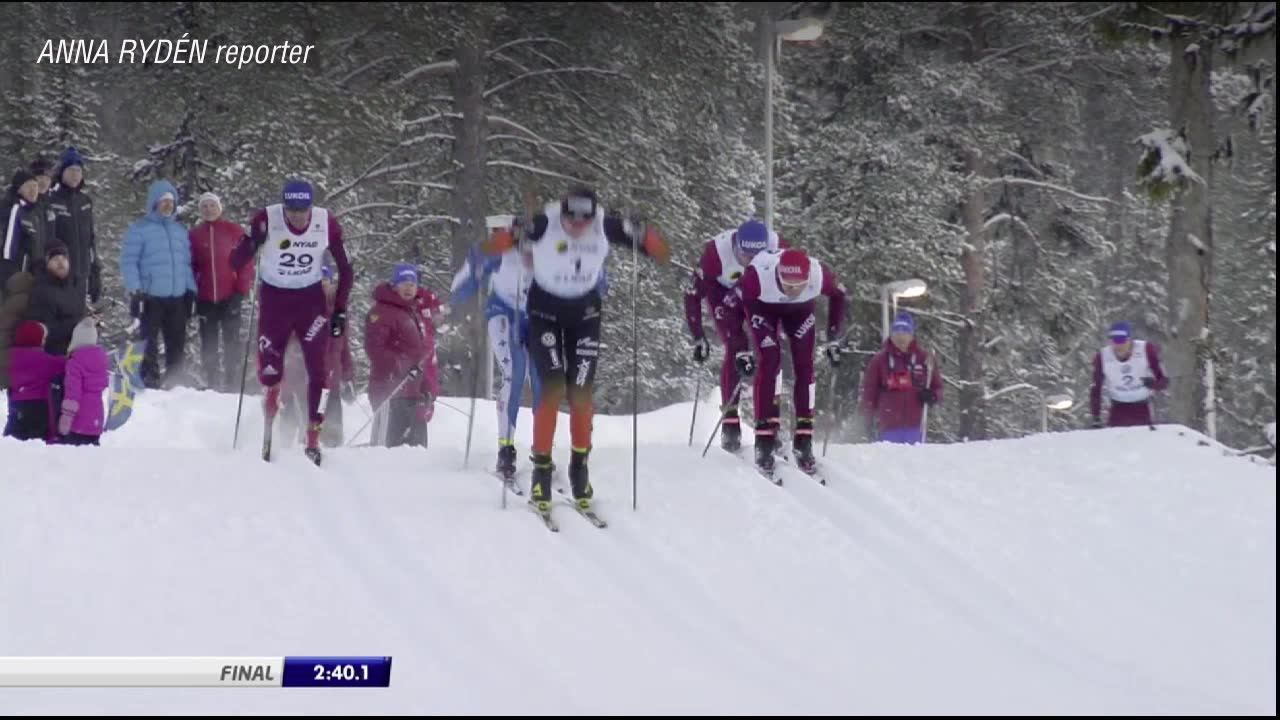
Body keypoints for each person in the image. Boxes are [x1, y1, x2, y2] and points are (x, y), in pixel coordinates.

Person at [485, 186, 670, 511]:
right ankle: (541, 473)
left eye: (585, 219)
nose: (578, 226)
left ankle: (579, 469)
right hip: (544, 316)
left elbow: (659, 250)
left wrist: (645, 235)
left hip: (585, 317)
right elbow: (494, 248)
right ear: (564, 212)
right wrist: (508, 236)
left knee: (582, 395)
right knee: (553, 390)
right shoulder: (545, 223)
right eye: (572, 218)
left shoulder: (604, 224)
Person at [229, 178, 354, 465]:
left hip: (310, 301)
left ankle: (313, 436)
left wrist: (340, 310)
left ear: (312, 206)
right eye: (292, 210)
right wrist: (251, 242)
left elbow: (346, 269)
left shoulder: (327, 223)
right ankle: (271, 400)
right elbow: (236, 263)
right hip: (276, 300)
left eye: (303, 210)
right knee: (271, 368)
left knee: (317, 369)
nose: (298, 216)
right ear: (284, 206)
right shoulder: (267, 218)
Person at [728, 246, 846, 475]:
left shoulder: (820, 274)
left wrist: (833, 337)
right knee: (769, 362)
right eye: (787, 285)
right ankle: (764, 438)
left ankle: (804, 437)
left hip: (799, 313)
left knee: (805, 365)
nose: (792, 290)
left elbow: (840, 295)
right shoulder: (757, 278)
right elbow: (733, 305)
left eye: (798, 286)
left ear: (808, 278)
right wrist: (740, 349)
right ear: (778, 275)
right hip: (762, 307)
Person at [683, 219, 783, 451]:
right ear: (735, 246)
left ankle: (771, 422)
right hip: (723, 294)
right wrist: (698, 335)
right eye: (743, 254)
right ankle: (730, 423)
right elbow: (692, 293)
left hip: (758, 293)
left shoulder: (778, 248)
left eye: (755, 257)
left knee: (771, 348)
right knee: (737, 345)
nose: (749, 261)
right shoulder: (715, 254)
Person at [120, 179, 197, 389]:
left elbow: (186, 264)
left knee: (177, 343)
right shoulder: (140, 229)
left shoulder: (180, 231)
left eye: (171, 202)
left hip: (178, 297)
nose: (168, 206)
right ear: (154, 203)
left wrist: (191, 291)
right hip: (151, 297)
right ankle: (149, 381)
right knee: (149, 343)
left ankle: (174, 382)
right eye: (164, 202)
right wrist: (136, 291)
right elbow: (129, 262)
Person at [365, 263, 442, 448]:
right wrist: (401, 366)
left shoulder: (410, 312)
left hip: (413, 394)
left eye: (413, 284)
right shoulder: (381, 312)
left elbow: (419, 355)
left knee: (414, 454)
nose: (409, 288)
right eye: (404, 282)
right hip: (390, 391)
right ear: (394, 285)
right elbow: (375, 349)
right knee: (389, 452)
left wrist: (426, 386)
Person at [281, 265, 353, 447]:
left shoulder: (338, 311)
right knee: (306, 430)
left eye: (325, 282)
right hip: (304, 384)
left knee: (332, 434)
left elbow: (343, 347)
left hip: (332, 382)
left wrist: (348, 375)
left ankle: (334, 459)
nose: (321, 287)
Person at [190, 192, 254, 391]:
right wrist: (193, 290)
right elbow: (190, 266)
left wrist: (241, 291)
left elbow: (247, 262)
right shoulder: (194, 235)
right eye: (205, 206)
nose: (209, 209)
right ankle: (212, 381)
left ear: (220, 208)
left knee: (231, 340)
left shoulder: (234, 231)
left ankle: (231, 381)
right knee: (208, 341)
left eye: (212, 205)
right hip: (206, 298)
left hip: (230, 296)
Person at [859, 311, 943, 445]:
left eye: (905, 331)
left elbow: (938, 387)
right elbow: (869, 393)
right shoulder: (880, 361)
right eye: (897, 331)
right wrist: (867, 419)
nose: (901, 336)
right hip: (888, 427)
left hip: (915, 428)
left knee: (912, 462)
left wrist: (933, 396)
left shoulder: (924, 358)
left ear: (911, 335)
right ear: (891, 335)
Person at [48, 147, 102, 304]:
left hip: (81, 275)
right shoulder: (51, 200)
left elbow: (91, 241)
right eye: (70, 170)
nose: (75, 174)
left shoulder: (85, 201)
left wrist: (95, 272)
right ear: (62, 172)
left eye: (78, 170)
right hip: (58, 275)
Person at [1089, 321, 1168, 428]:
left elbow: (1163, 380)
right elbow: (1096, 388)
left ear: (1130, 340)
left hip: (1142, 406)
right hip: (1118, 407)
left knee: (1144, 439)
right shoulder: (1102, 357)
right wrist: (1096, 417)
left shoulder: (1145, 349)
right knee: (1118, 440)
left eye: (1121, 340)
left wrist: (1154, 384)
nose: (1118, 345)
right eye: (1115, 340)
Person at [3, 320, 66, 441]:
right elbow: (66, 365)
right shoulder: (45, 360)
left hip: (17, 406)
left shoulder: (9, 357)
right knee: (37, 444)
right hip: (39, 407)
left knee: (14, 441)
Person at [23, 244, 87, 357]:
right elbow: (43, 332)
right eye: (56, 259)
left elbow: (78, 315)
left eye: (64, 259)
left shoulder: (73, 288)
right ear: (47, 264)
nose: (61, 263)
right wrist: (77, 324)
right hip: (54, 358)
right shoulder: (42, 291)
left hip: (76, 353)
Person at [55, 316, 109, 445]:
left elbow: (72, 393)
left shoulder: (75, 362)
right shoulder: (102, 360)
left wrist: (66, 417)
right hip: (97, 418)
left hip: (79, 420)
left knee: (73, 460)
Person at [1, 170, 51, 297]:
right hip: (18, 274)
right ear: (19, 190)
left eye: (35, 186)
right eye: (28, 186)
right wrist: (11, 276)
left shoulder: (36, 212)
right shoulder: (16, 209)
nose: (33, 190)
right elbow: (9, 249)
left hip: (36, 275)